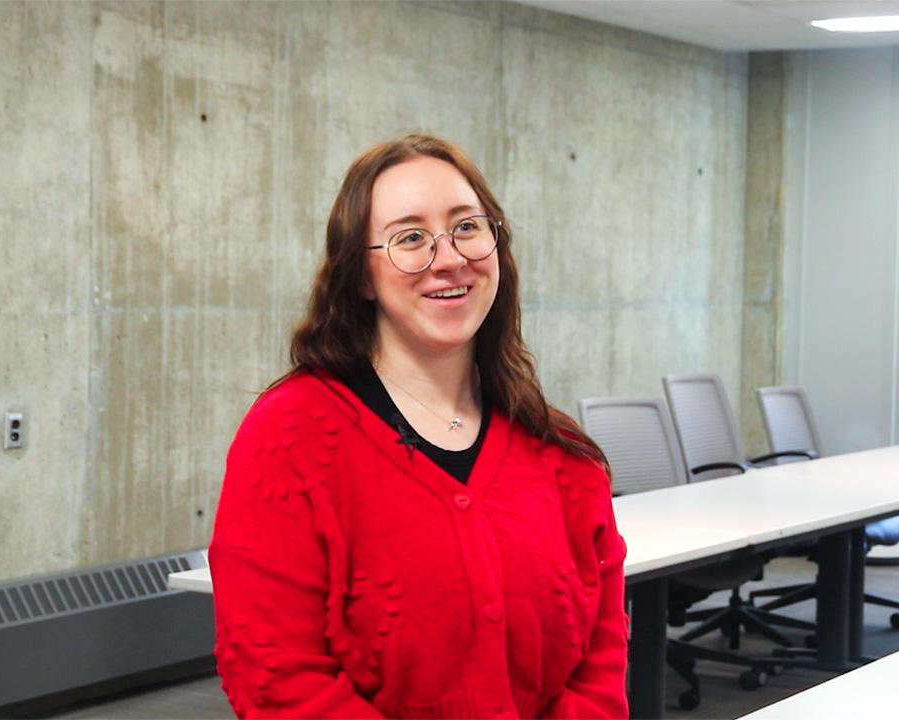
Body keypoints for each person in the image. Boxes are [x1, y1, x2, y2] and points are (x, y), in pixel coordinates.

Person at [208, 135, 629, 719]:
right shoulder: (290, 435)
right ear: (361, 275)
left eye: (466, 227)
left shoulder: (562, 453)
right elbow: (276, 673)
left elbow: (599, 667)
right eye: (410, 238)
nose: (449, 258)